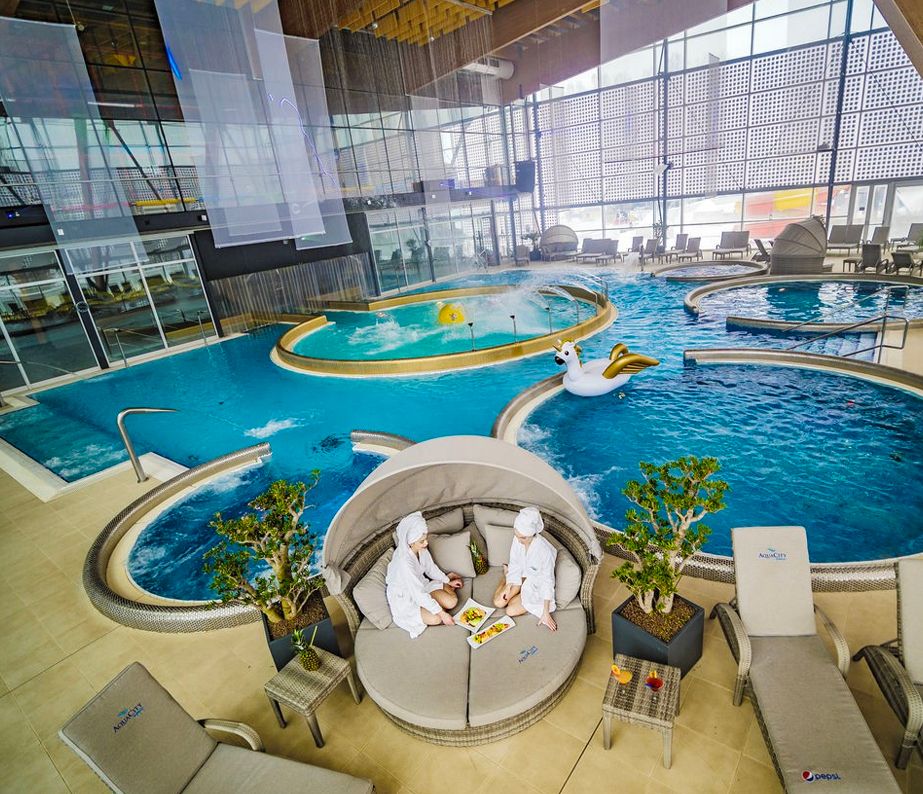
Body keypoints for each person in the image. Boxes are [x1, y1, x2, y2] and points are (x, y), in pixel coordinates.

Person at [386, 511, 463, 638]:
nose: (426, 543)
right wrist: (442, 614)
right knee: (436, 619)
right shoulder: (404, 563)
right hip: (406, 598)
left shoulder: (420, 548)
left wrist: (447, 580)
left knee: (452, 602)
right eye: (422, 541)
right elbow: (417, 593)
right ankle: (435, 607)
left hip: (421, 586)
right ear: (411, 542)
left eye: (425, 539)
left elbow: (430, 569)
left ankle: (437, 601)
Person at [492, 506, 557, 631]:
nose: (519, 540)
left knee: (510, 610)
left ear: (532, 534)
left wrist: (545, 612)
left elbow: (547, 581)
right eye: (517, 535)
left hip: (536, 584)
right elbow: (515, 563)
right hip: (520, 576)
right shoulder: (517, 539)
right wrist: (508, 585)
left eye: (523, 538)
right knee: (498, 602)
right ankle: (506, 576)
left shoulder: (545, 552)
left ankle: (519, 590)